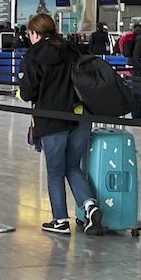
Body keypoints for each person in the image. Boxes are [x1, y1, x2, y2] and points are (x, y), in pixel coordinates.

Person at [18, 13, 104, 236]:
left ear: (35, 33)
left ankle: (60, 220)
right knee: (72, 166)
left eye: (30, 34)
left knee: (55, 171)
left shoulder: (34, 55)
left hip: (52, 118)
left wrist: (20, 92)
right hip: (81, 116)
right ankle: (90, 206)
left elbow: (28, 92)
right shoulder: (73, 49)